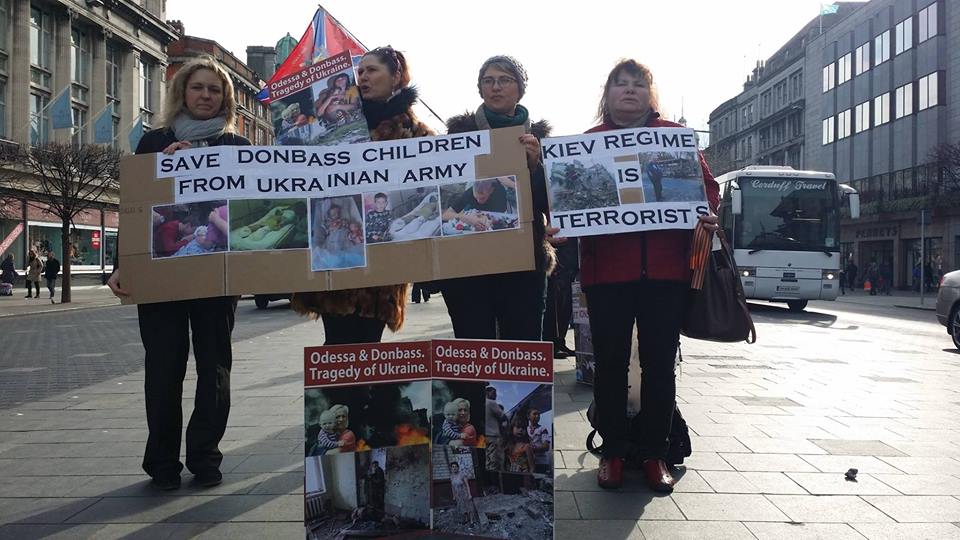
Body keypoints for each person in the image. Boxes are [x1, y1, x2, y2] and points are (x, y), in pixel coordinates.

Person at [105, 56, 251, 491]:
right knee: (163, 368)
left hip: (216, 275)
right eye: (198, 88)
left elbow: (247, 211)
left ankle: (205, 456)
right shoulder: (154, 142)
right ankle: (162, 461)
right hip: (162, 275)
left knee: (215, 369)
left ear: (224, 99)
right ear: (182, 94)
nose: (206, 96)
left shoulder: (238, 148)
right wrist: (121, 265)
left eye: (214, 90)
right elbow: (135, 208)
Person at [582, 60, 719, 492]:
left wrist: (708, 213)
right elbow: (564, 203)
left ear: (649, 93)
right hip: (608, 275)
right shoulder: (588, 145)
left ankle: (656, 452)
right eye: (620, 84)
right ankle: (614, 452)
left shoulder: (675, 138)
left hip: (665, 273)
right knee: (609, 365)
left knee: (660, 365)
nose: (628, 91)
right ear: (607, 94)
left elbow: (708, 189)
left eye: (637, 84)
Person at [292, 46, 434, 345]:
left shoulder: (418, 135)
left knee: (368, 346)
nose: (363, 77)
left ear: (396, 77)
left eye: (372, 70)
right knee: (336, 346)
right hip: (335, 247)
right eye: (360, 71)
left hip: (383, 262)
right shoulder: (332, 127)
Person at [439, 55, 557, 341]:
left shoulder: (541, 139)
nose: (496, 87)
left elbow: (551, 203)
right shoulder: (458, 134)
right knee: (473, 352)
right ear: (480, 89)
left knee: (523, 352)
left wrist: (535, 167)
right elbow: (446, 195)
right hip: (468, 269)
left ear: (520, 88)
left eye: (505, 80)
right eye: (488, 81)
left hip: (522, 269)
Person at [543, 239, 579, 357]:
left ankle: (559, 341)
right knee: (555, 303)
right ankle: (552, 343)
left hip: (570, 258)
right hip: (558, 257)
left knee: (566, 304)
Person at [484, 386, 507, 472]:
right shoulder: (491, 402)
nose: (495, 395)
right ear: (487, 392)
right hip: (493, 437)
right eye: (494, 393)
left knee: (488, 462)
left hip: (483, 438)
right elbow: (503, 417)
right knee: (496, 462)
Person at [526, 408, 552, 474]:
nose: (537, 416)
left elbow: (546, 447)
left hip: (541, 463)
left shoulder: (543, 429)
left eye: (538, 414)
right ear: (528, 416)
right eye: (534, 414)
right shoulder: (525, 429)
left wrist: (532, 449)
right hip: (528, 463)